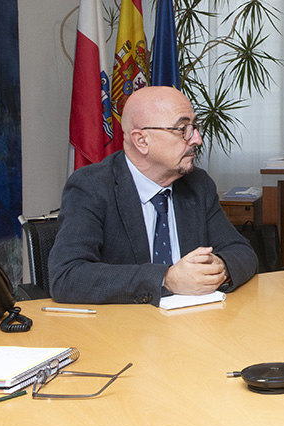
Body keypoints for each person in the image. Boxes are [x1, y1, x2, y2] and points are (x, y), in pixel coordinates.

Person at [49, 86, 258, 305]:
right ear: (141, 141)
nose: (196, 138)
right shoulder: (92, 187)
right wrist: (165, 279)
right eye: (182, 129)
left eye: (194, 126)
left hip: (194, 325)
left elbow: (242, 252)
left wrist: (219, 267)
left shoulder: (198, 184)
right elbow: (67, 277)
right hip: (123, 329)